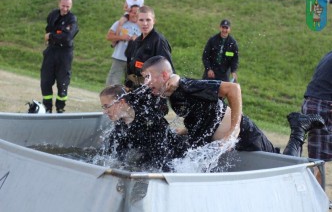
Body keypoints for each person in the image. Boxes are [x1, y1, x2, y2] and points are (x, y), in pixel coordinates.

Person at [141, 55, 325, 155]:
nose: (145, 84)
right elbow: (203, 114)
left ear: (164, 75)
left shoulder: (186, 85)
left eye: (147, 77)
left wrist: (234, 130)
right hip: (230, 143)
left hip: (245, 134)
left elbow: (234, 89)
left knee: (285, 165)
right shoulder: (173, 95)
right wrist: (184, 131)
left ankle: (299, 128)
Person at [99, 85, 189, 171]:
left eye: (107, 106)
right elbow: (113, 156)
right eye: (103, 107)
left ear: (121, 102)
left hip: (180, 157)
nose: (104, 112)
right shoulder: (119, 126)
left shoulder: (149, 119)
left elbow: (163, 157)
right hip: (154, 159)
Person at [40, 0, 79, 113]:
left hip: (64, 53)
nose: (65, 9)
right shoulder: (53, 15)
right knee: (46, 80)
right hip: (51, 51)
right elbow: (49, 28)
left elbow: (67, 37)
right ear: (59, 4)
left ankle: (60, 108)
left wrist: (51, 36)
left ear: (71, 6)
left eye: (68, 6)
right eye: (63, 6)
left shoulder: (72, 19)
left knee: (62, 83)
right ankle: (47, 108)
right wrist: (53, 36)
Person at [126, 5, 174, 89]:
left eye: (148, 20)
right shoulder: (136, 41)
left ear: (154, 21)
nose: (145, 23)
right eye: (141, 20)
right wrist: (128, 86)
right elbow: (129, 66)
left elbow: (167, 70)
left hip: (152, 90)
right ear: (137, 21)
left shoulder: (158, 40)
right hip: (136, 89)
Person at [302, 51, 332, 161]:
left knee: (319, 159)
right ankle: (314, 178)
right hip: (323, 106)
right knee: (319, 161)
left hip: (316, 103)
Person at [106, 5, 141, 85]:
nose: (135, 15)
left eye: (137, 13)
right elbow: (109, 36)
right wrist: (121, 37)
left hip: (134, 60)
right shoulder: (120, 23)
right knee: (113, 81)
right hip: (119, 57)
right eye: (133, 12)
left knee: (131, 84)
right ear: (129, 12)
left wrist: (137, 40)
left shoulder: (142, 26)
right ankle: (110, 96)